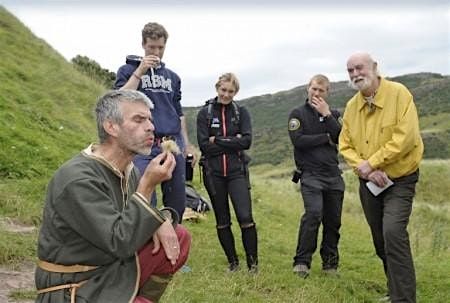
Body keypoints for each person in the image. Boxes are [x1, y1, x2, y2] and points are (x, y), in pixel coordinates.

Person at [35, 90, 191, 303]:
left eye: (150, 120)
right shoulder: (78, 178)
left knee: (178, 236)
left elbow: (130, 222)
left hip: (110, 269)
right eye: (139, 119)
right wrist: (147, 187)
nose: (151, 127)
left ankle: (138, 298)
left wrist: (159, 219)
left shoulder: (128, 170)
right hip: (76, 285)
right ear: (111, 127)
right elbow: (120, 241)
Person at [339, 52, 423, 303]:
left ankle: (403, 299)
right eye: (350, 70)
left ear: (374, 67)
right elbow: (345, 145)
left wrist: (373, 162)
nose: (355, 74)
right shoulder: (352, 106)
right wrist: (365, 169)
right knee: (380, 240)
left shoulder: (399, 93)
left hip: (400, 178)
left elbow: (406, 138)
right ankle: (394, 288)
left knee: (393, 233)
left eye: (359, 68)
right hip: (369, 183)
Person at [114, 22, 197, 221]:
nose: (157, 52)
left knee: (177, 200)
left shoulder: (173, 77)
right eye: (152, 47)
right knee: (144, 194)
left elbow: (178, 113)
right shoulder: (127, 70)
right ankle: (145, 242)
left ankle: (173, 239)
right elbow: (119, 99)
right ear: (143, 45)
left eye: (161, 47)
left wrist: (186, 145)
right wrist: (139, 72)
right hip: (143, 144)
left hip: (172, 144)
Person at [196, 73, 258, 273]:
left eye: (231, 91)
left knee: (245, 217)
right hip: (213, 174)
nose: (226, 94)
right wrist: (232, 140)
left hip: (237, 172)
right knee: (222, 221)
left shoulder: (242, 112)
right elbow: (205, 146)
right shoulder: (204, 113)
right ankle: (233, 263)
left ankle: (253, 265)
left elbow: (246, 142)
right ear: (217, 88)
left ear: (236, 92)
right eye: (223, 90)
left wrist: (219, 140)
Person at [288, 74, 345, 278]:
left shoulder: (334, 114)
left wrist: (327, 115)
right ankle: (302, 262)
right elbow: (298, 140)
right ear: (308, 89)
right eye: (314, 89)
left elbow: (341, 137)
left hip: (333, 175)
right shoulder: (297, 114)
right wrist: (325, 138)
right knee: (313, 214)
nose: (317, 93)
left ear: (327, 92)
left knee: (333, 221)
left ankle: (330, 265)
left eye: (321, 90)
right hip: (310, 175)